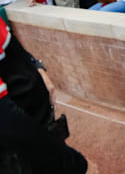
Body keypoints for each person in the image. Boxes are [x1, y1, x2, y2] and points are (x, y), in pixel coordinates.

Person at [0, 10, 89, 173]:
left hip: (38, 122)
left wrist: (37, 68)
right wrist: (67, 161)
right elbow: (5, 119)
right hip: (26, 149)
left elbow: (10, 50)